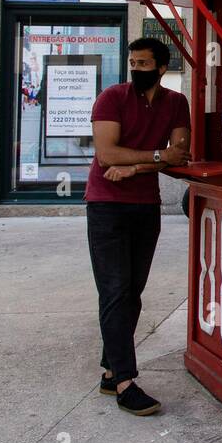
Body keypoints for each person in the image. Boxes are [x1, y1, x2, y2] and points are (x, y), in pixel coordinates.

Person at [85, 38, 190, 416]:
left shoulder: (176, 103)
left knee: (132, 291)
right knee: (114, 289)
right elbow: (107, 154)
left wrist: (136, 167)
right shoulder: (111, 98)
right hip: (106, 204)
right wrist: (156, 156)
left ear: (162, 68)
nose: (137, 68)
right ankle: (126, 381)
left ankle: (111, 371)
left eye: (144, 62)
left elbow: (181, 155)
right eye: (133, 61)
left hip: (145, 204)